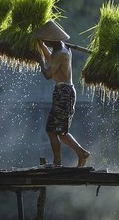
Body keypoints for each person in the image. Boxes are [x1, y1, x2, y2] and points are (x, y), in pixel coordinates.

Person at [37, 38, 90, 167]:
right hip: (63, 91)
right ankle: (82, 153)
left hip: (64, 93)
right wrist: (41, 45)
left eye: (47, 41)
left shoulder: (60, 52)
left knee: (52, 130)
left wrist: (40, 61)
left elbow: (48, 74)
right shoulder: (62, 49)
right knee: (60, 132)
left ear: (53, 39)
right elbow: (52, 59)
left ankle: (57, 162)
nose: (46, 43)